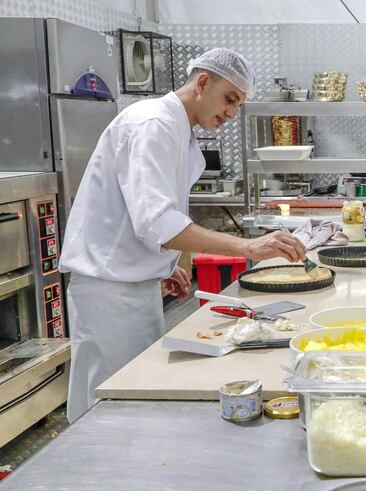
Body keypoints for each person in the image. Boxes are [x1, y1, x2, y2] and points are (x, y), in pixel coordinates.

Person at [59, 48, 308, 422]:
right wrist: (247, 246)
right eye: (230, 99)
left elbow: (152, 214)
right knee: (108, 403)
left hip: (134, 285)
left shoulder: (178, 129)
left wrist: (165, 265)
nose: (231, 113)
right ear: (203, 82)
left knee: (138, 397)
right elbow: (157, 220)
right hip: (108, 291)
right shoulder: (152, 124)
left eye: (238, 104)